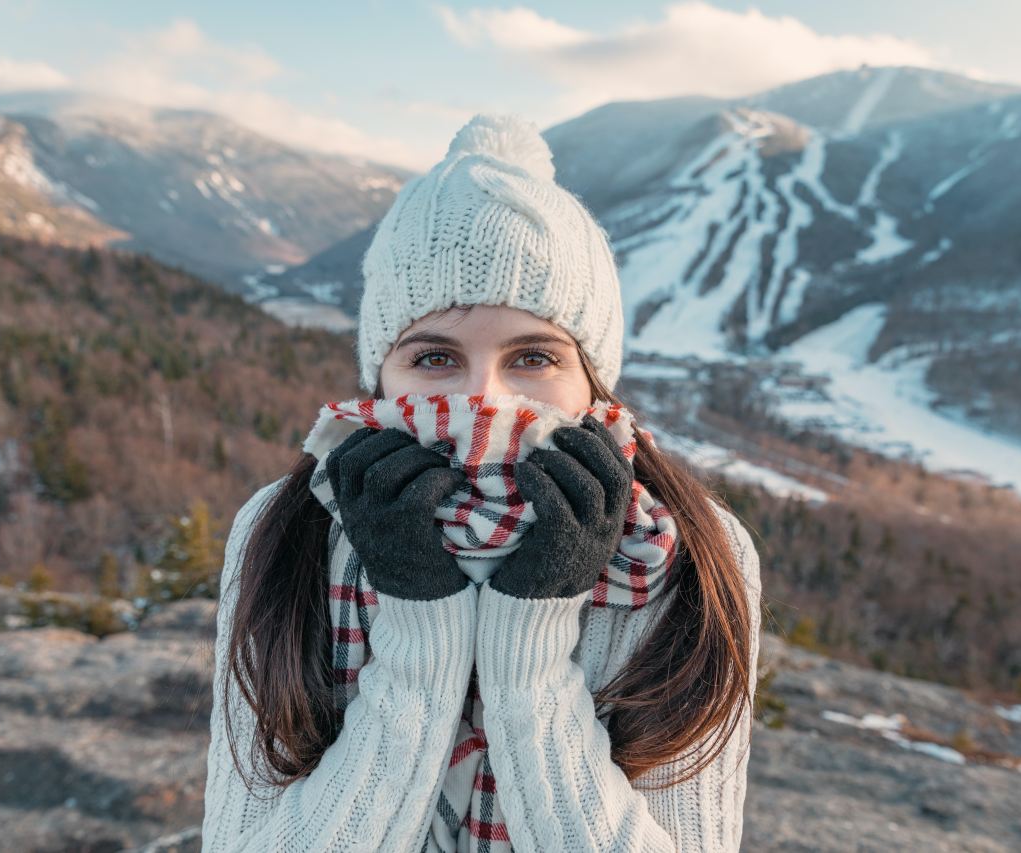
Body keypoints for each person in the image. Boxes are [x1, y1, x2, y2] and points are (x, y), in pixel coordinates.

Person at [201, 113, 764, 852]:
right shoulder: (292, 528)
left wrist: (528, 646)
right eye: (435, 358)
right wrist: (418, 628)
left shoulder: (684, 549)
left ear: (592, 378)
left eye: (533, 357)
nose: (487, 399)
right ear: (383, 374)